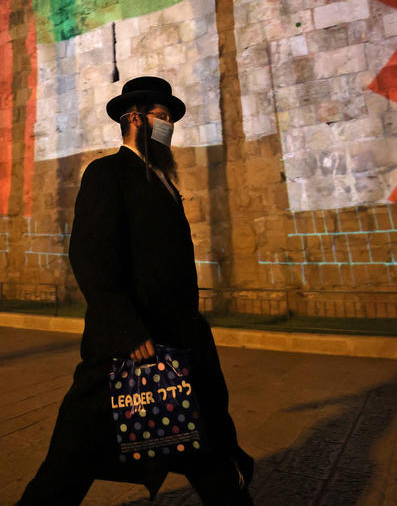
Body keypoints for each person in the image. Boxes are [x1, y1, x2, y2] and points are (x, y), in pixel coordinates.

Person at [17, 76, 253, 505]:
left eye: (170, 120)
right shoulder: (107, 173)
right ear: (135, 119)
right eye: (162, 118)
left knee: (208, 447)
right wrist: (129, 331)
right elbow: (91, 257)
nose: (168, 127)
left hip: (180, 342)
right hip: (127, 349)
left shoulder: (164, 181)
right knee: (70, 463)